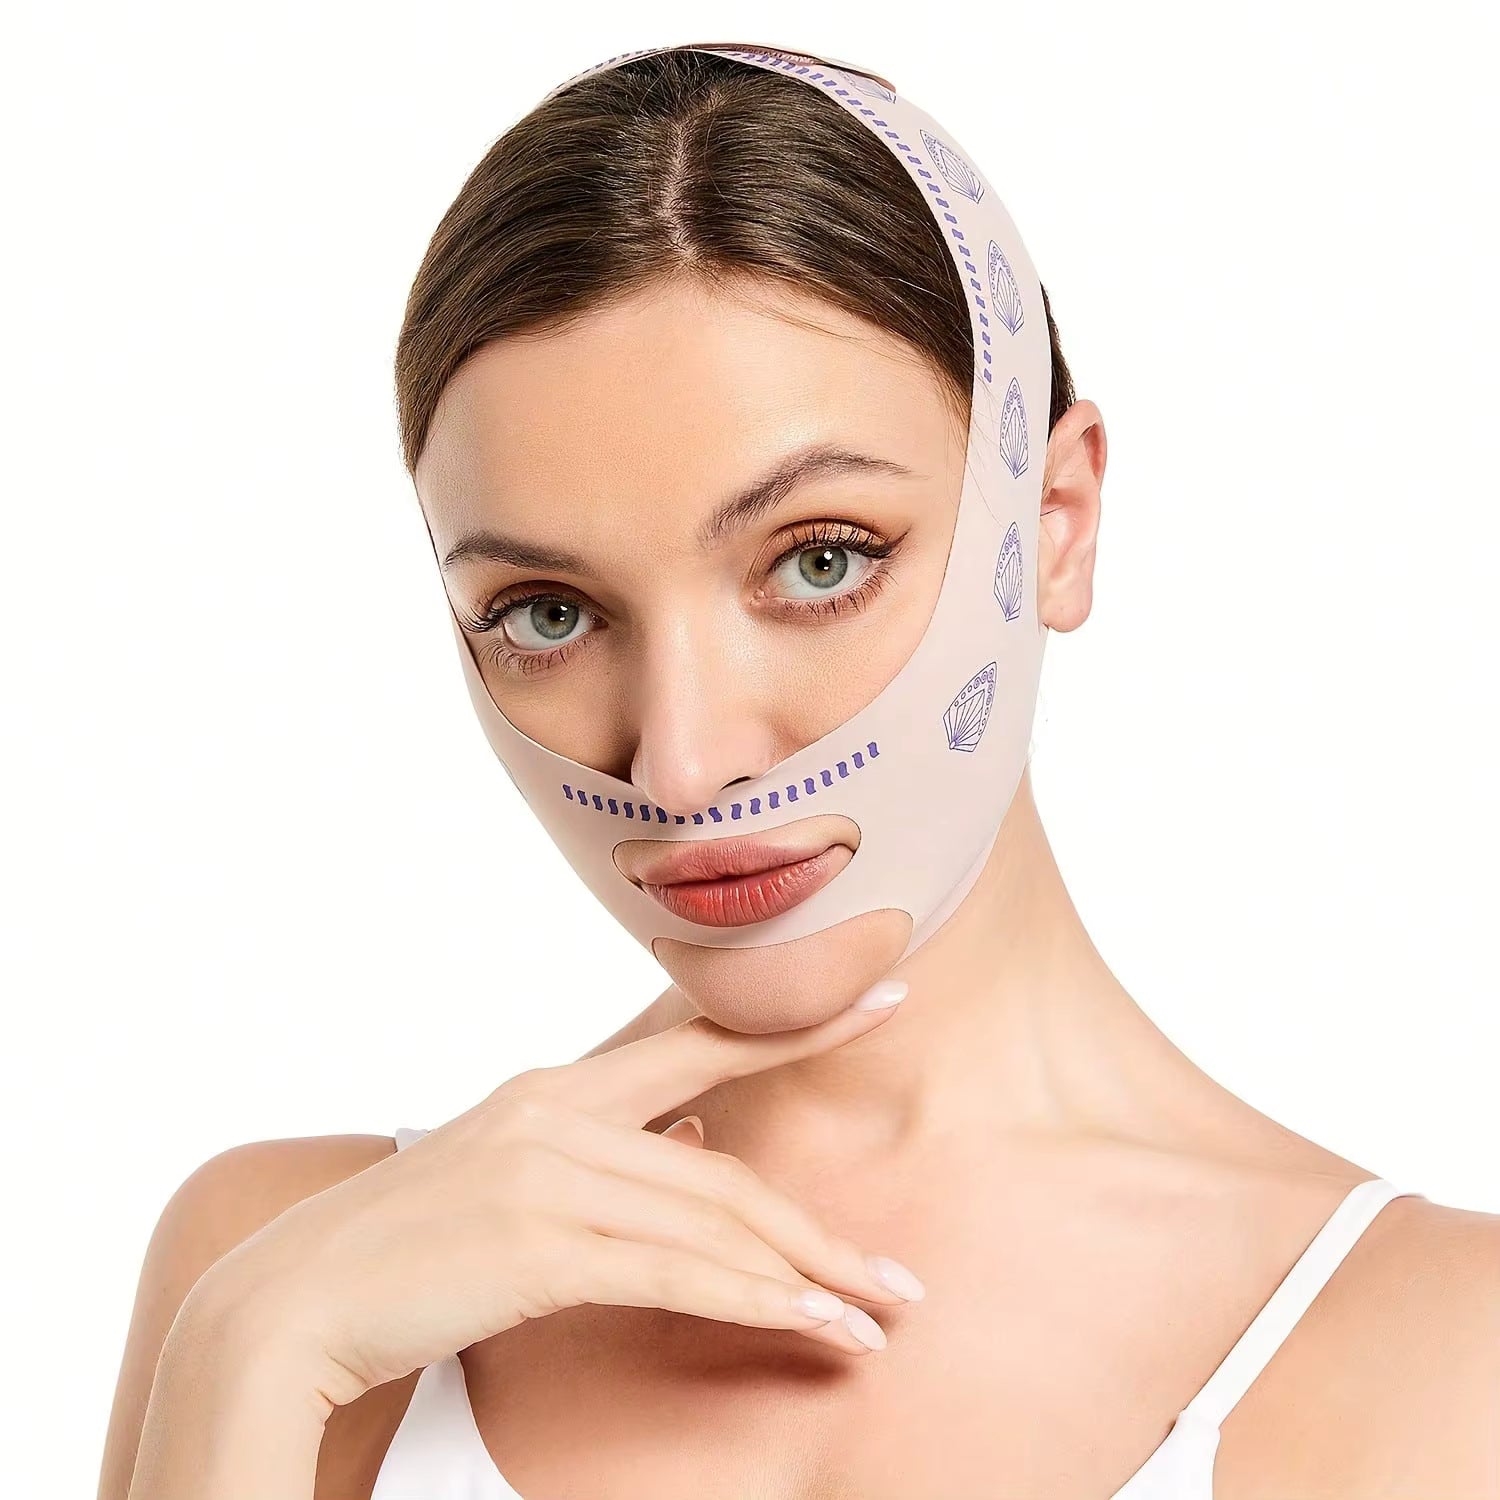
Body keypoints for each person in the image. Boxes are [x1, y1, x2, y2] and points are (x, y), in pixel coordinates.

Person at [100, 42, 1498, 1500]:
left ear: (1058, 520)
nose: (684, 765)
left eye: (820, 560)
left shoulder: (1450, 1360)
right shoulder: (284, 1275)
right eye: (548, 614)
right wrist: (255, 1350)